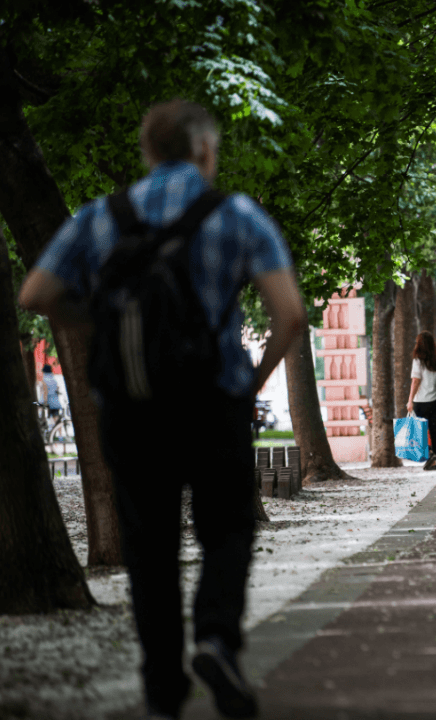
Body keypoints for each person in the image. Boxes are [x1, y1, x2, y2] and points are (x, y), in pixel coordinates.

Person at [19, 99, 307, 720]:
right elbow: (291, 315)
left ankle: (161, 688)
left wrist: (99, 319)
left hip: (131, 406)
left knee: (149, 547)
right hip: (213, 403)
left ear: (147, 153)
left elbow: (35, 293)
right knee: (227, 528)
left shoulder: (102, 218)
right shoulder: (234, 214)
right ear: (204, 150)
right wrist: (250, 383)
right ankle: (215, 640)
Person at [406, 331, 436, 471]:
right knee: (434, 433)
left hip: (421, 402)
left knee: (419, 432)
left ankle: (430, 455)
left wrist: (410, 400)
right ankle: (433, 462)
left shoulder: (417, 361)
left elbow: (415, 381)